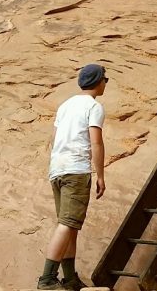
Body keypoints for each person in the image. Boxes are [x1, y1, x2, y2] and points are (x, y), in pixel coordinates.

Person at [38, 64, 108, 290]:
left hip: (57, 169)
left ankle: (69, 278)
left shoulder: (65, 105)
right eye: (104, 79)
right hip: (76, 170)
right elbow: (96, 142)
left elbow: (55, 137)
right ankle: (47, 278)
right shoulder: (93, 106)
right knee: (68, 224)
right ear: (98, 82)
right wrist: (100, 175)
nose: (105, 83)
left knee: (70, 225)